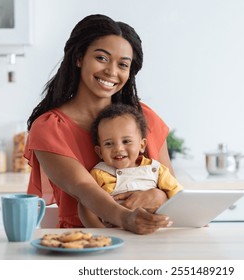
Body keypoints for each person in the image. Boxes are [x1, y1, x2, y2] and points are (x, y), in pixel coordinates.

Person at [24, 14, 175, 234]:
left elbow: (170, 185)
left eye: (123, 64)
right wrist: (127, 218)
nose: (112, 72)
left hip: (150, 240)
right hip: (82, 242)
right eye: (102, 58)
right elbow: (84, 189)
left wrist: (158, 195)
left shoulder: (146, 118)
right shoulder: (49, 128)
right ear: (79, 58)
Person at [78, 103, 184, 228]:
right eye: (108, 144)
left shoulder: (157, 170)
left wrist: (194, 218)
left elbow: (179, 198)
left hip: (155, 235)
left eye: (126, 141)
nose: (118, 148)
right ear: (100, 151)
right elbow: (86, 206)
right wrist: (103, 234)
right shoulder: (99, 174)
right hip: (117, 235)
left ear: (142, 145)